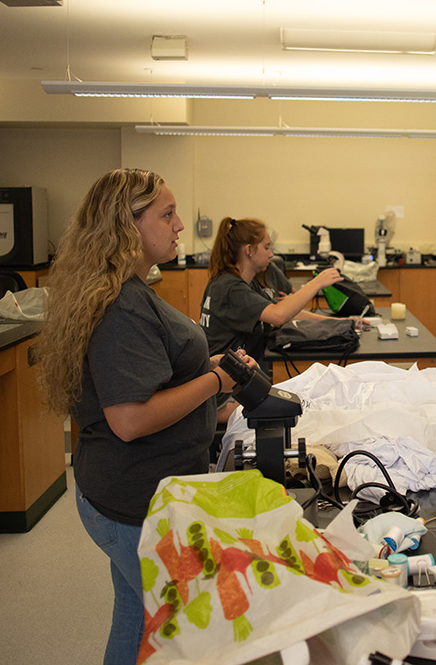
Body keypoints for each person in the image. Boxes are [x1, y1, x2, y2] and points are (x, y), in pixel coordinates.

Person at [35, 169, 254, 665]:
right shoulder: (121, 306)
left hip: (128, 494)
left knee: (137, 621)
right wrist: (217, 381)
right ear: (126, 226)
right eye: (167, 214)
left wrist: (208, 377)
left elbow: (153, 378)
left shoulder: (128, 290)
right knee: (190, 631)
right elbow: (130, 418)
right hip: (137, 503)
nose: (180, 225)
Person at [199, 217, 346, 374]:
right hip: (227, 388)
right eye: (267, 247)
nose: (271, 254)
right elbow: (278, 316)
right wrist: (316, 283)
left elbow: (286, 313)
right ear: (248, 250)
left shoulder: (242, 283)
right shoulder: (231, 289)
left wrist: (338, 322)